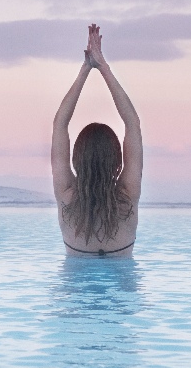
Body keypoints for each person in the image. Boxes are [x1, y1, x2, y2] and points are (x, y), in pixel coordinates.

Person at [52, 24, 142, 256]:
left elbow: (60, 123)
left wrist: (85, 69)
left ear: (76, 157)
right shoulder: (128, 197)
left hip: (75, 289)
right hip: (122, 289)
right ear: (117, 159)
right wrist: (103, 67)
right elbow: (132, 123)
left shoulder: (66, 196)